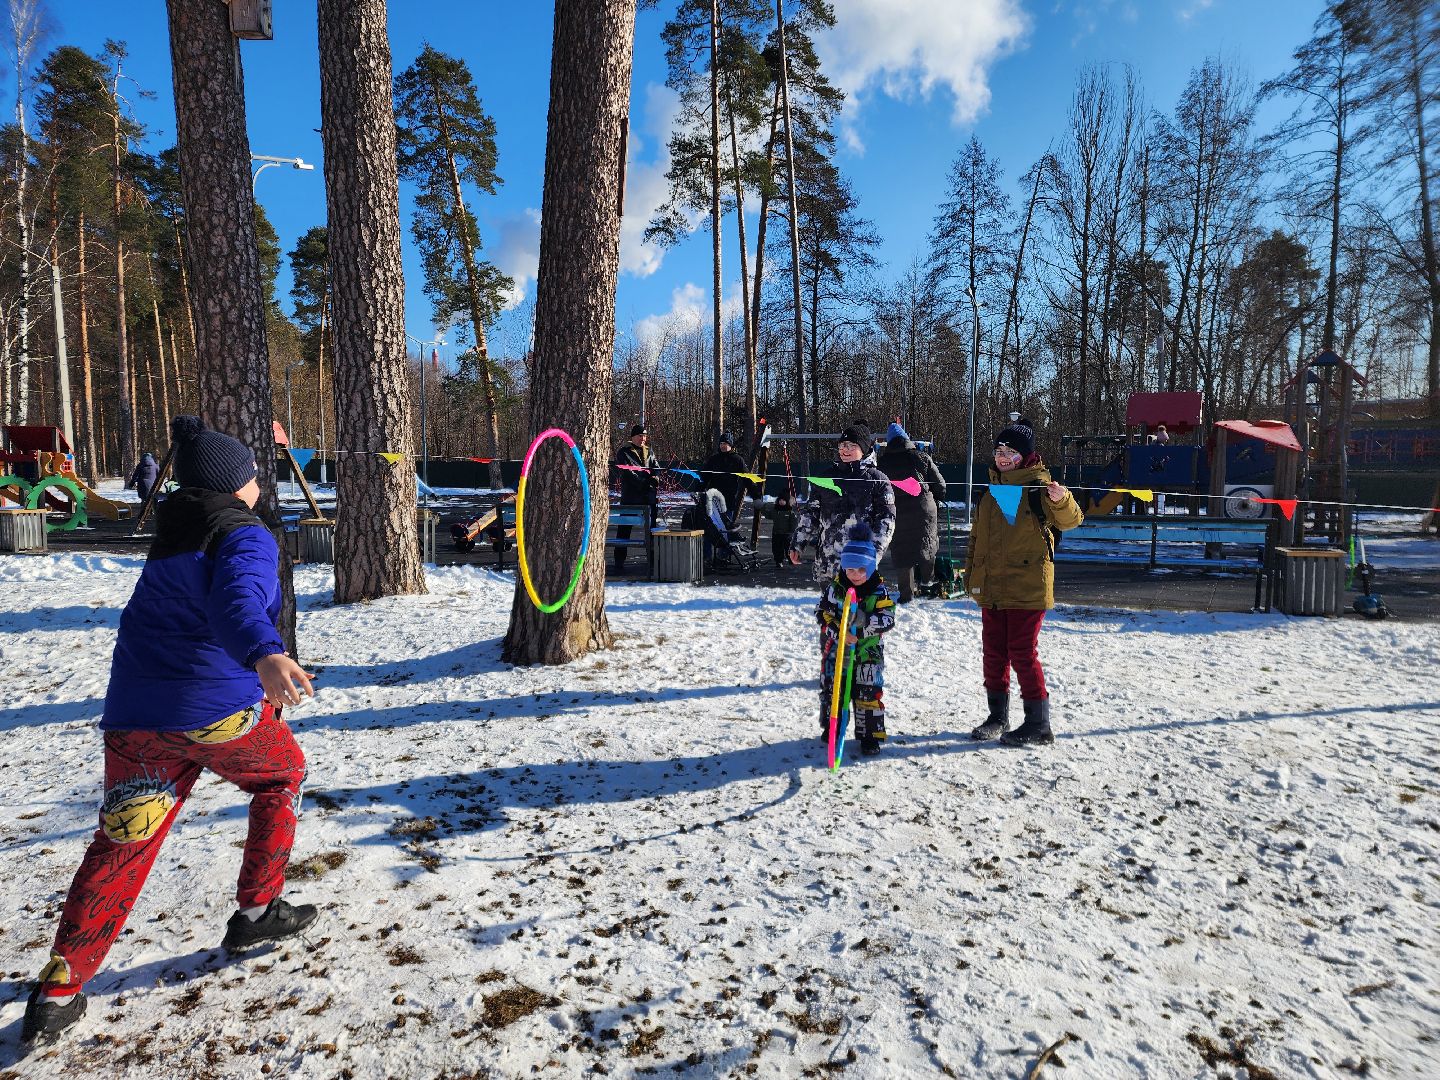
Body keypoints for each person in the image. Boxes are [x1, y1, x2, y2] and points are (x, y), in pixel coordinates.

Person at [22, 415, 317, 1045]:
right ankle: (259, 911)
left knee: (123, 839)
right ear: (235, 484)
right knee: (283, 773)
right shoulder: (246, 534)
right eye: (252, 473)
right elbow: (236, 601)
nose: (259, 482)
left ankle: (59, 988)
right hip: (215, 712)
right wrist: (265, 652)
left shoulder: (174, 530)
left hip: (136, 718)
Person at [963, 416, 1084, 747]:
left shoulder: (1040, 488)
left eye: (1010, 451)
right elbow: (977, 540)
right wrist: (971, 574)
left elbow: (1071, 520)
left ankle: (1038, 724)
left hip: (1028, 587)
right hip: (991, 588)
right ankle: (997, 717)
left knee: (1022, 653)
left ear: (1025, 456)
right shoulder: (991, 493)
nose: (1002, 456)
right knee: (994, 654)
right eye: (999, 450)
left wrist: (1063, 499)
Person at [816, 525, 896, 756]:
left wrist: (862, 624)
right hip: (837, 651)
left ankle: (870, 736)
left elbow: (888, 619)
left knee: (867, 693)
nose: (855, 575)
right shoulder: (836, 588)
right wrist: (838, 631)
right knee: (833, 691)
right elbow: (822, 613)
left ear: (870, 566)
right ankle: (833, 727)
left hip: (867, 653)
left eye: (861, 569)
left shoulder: (878, 591)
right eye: (850, 569)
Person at [788, 423, 896, 584]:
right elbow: (811, 514)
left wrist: (872, 557)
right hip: (827, 564)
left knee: (857, 609)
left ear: (864, 448)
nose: (845, 449)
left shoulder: (878, 480)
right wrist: (798, 543)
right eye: (842, 445)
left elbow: (886, 523)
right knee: (828, 608)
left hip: (859, 567)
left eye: (852, 446)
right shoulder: (826, 477)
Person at [877, 422, 947, 603]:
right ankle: (927, 584)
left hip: (895, 510)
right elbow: (940, 485)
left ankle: (906, 594)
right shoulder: (921, 456)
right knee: (927, 546)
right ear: (907, 439)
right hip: (923, 509)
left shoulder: (882, 462)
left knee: (902, 551)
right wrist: (937, 496)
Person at [614, 424, 660, 574]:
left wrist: (655, 479)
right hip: (631, 499)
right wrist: (645, 482)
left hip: (649, 499)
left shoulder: (650, 451)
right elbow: (627, 474)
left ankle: (652, 561)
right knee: (624, 531)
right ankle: (619, 561)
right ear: (633, 437)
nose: (643, 439)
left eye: (645, 436)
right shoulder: (624, 452)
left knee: (651, 531)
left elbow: (656, 468)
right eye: (640, 435)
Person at [699, 431, 754, 531]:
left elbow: (747, 478)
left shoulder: (737, 460)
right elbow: (704, 477)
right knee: (710, 529)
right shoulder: (713, 459)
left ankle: (725, 546)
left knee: (726, 528)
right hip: (713, 499)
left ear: (730, 445)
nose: (723, 446)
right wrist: (699, 489)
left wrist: (756, 495)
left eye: (725, 444)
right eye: (721, 444)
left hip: (728, 500)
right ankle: (708, 547)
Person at [763, 492, 797, 567]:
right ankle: (778, 561)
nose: (781, 502)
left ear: (787, 502)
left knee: (788, 548)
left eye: (783, 500)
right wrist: (763, 508)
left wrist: (791, 532)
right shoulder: (775, 510)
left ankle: (791, 558)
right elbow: (769, 515)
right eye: (780, 500)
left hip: (786, 534)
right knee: (777, 548)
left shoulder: (790, 512)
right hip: (776, 533)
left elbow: (793, 523)